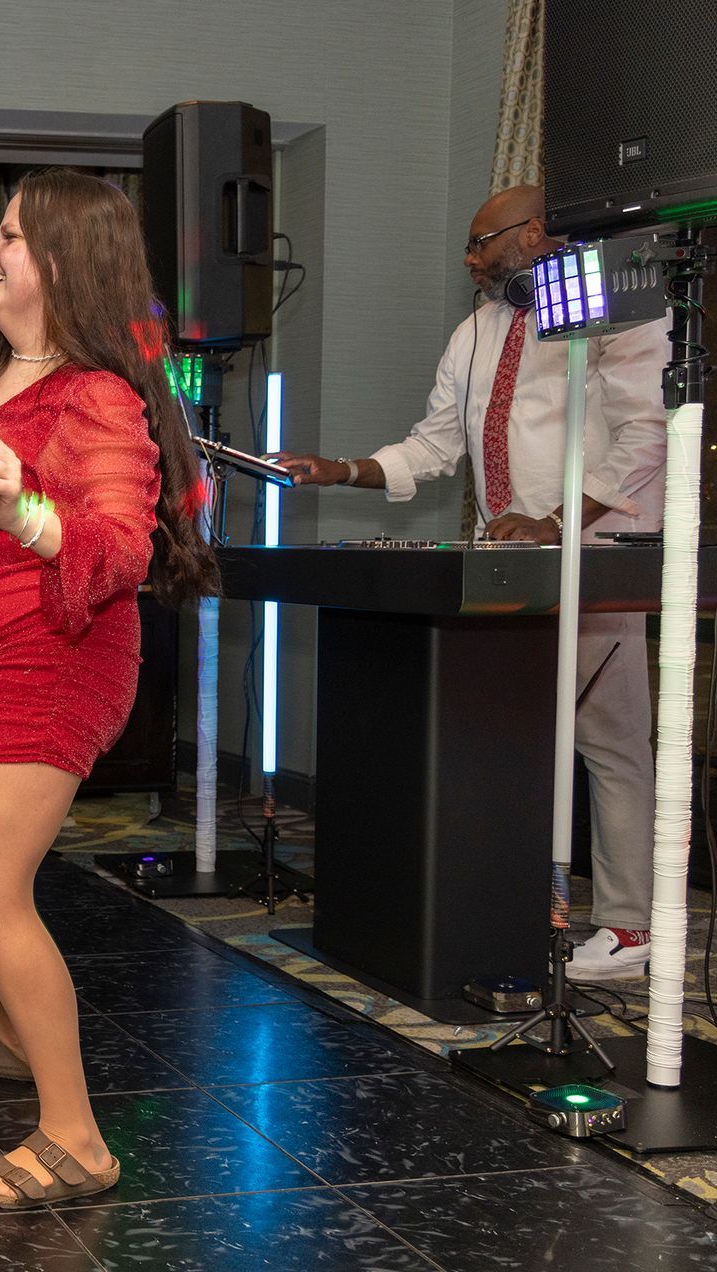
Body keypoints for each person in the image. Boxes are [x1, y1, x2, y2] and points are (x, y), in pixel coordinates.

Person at [0, 169, 218, 1209]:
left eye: (9, 240)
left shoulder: (97, 392)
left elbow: (122, 548)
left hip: (59, 649)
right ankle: (6, 1029)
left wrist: (25, 503)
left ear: (65, 262)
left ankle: (76, 1140)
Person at [269, 185, 665, 982]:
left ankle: (628, 928)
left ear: (536, 233)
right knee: (540, 737)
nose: (470, 259)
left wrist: (555, 522)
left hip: (595, 559)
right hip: (508, 569)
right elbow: (435, 445)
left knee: (606, 744)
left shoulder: (618, 311)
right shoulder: (476, 332)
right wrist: (341, 470)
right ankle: (524, 903)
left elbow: (642, 436)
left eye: (482, 243)